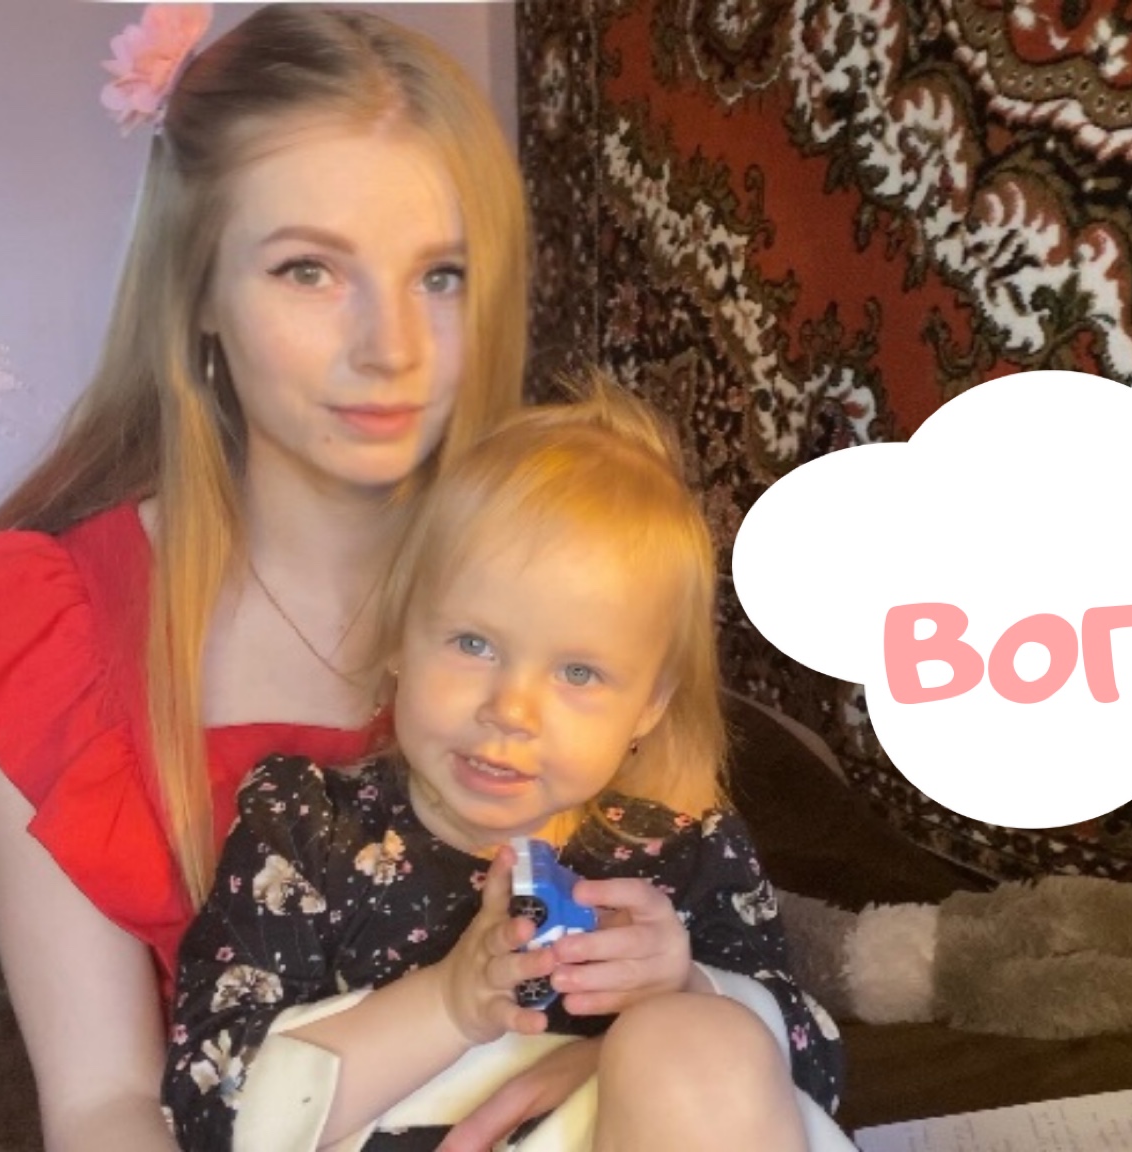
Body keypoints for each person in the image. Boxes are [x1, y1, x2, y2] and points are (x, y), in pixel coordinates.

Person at [0, 8, 528, 1149]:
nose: (390, 347)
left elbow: (675, 908)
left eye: (440, 275)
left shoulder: (569, 572)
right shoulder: (52, 632)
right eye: (309, 270)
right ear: (195, 287)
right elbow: (102, 1102)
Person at [161, 386, 847, 1152]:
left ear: (648, 707)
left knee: (701, 1042)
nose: (511, 710)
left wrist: (685, 989)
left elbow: (815, 1070)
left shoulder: (683, 856)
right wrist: (447, 1006)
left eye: (579, 673)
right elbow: (208, 1109)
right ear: (399, 635)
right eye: (474, 644)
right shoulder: (307, 829)